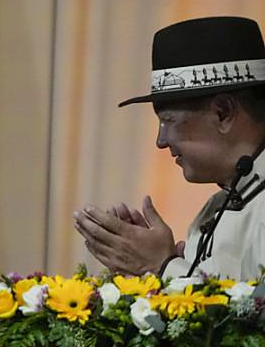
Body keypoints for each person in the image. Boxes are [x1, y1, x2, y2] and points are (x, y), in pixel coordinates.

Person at [74, 16, 265, 280]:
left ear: (223, 113)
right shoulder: (216, 208)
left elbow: (249, 318)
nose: (161, 141)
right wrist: (151, 271)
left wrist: (160, 266)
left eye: (168, 120)